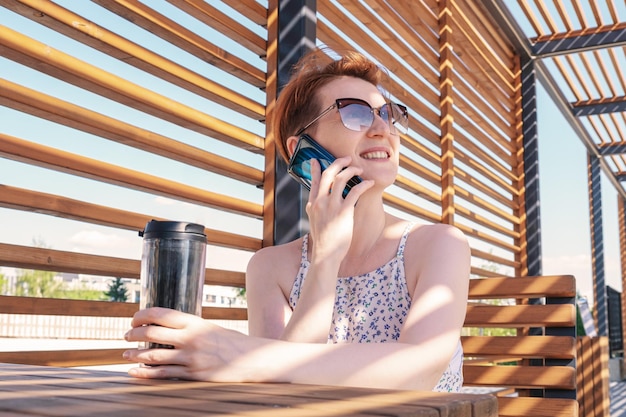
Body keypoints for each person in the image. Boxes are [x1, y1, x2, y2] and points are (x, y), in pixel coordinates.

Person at [123, 48, 471, 392]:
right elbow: (281, 395)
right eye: (356, 114)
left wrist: (240, 354)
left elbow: (420, 372)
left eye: (387, 114)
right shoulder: (270, 267)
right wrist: (325, 260)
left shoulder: (439, 245)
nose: (383, 128)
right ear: (300, 148)